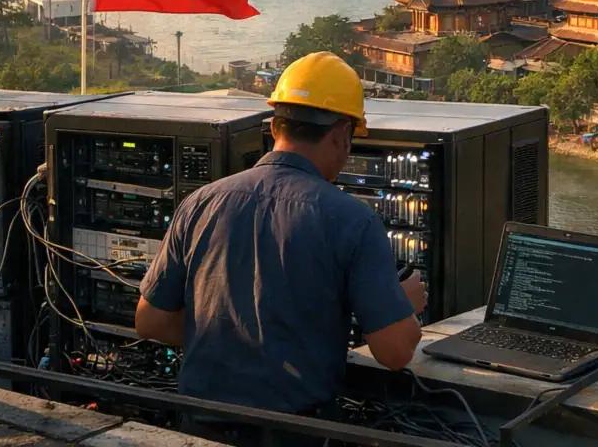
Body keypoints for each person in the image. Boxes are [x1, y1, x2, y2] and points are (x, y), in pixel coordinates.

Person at [135, 52, 426, 427]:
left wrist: (231, 340)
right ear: (340, 136)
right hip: (293, 431)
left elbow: (150, 321)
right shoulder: (353, 221)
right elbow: (395, 353)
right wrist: (404, 307)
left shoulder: (201, 202)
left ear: (275, 128)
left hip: (199, 425)